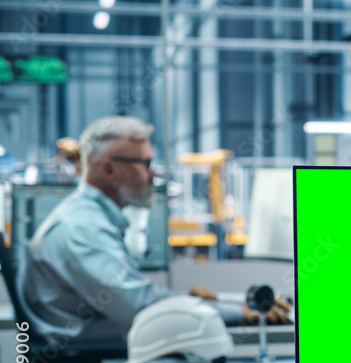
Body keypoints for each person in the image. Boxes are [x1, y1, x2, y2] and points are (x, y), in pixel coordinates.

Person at [18, 116, 290, 348]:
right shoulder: (81, 228)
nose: (154, 175)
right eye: (146, 164)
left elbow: (138, 296)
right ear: (109, 168)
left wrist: (195, 301)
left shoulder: (88, 218)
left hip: (95, 358)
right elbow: (139, 308)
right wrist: (240, 312)